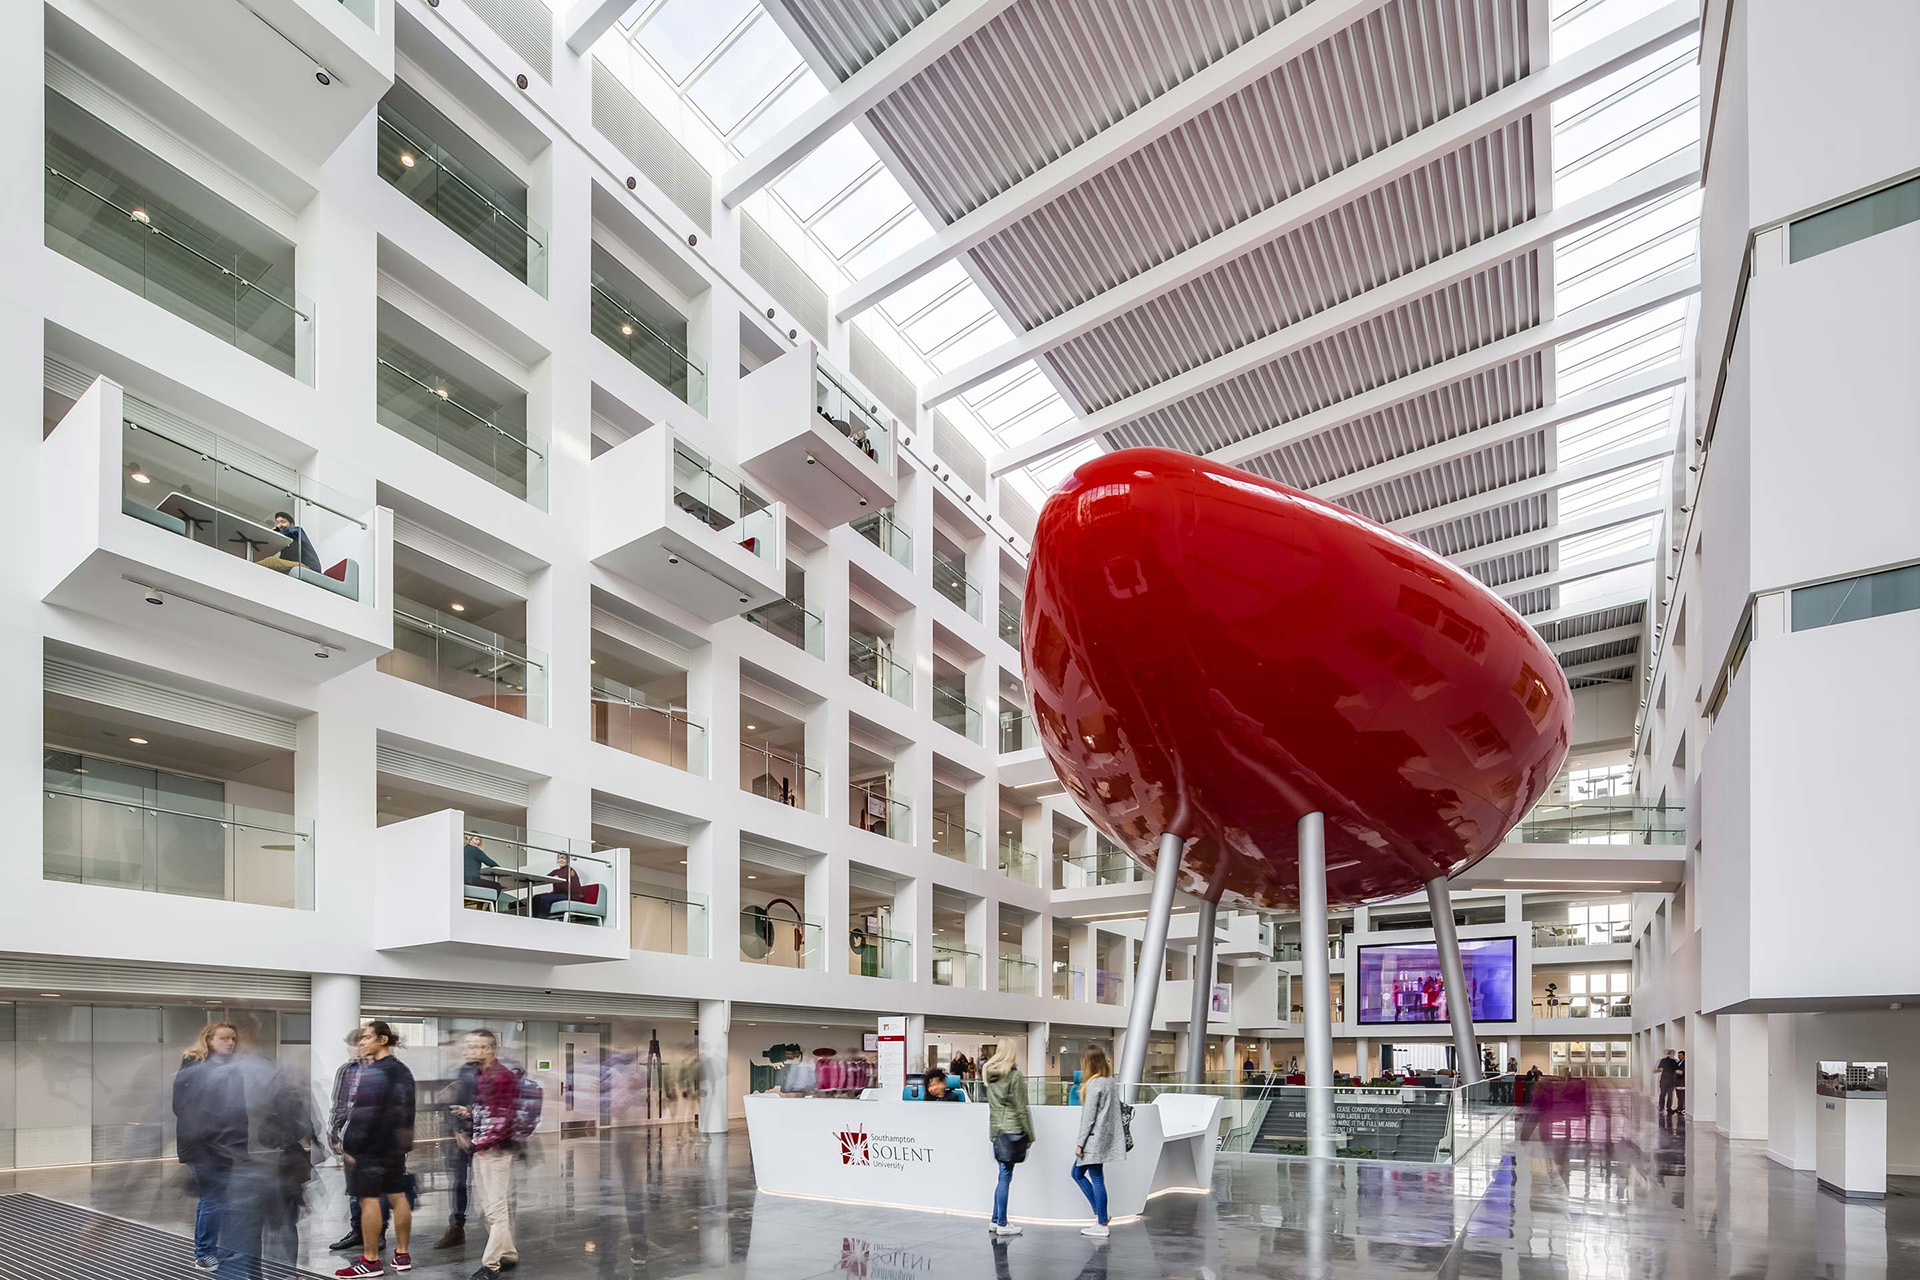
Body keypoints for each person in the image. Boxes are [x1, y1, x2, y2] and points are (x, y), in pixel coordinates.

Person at [334, 1021, 416, 1278]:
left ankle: (370, 1261)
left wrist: (351, 1147)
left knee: (368, 1200)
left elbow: (364, 1114)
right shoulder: (402, 1070)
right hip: (393, 1148)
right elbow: (407, 1111)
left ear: (383, 1040)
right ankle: (402, 1255)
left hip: (370, 1148)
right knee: (397, 1196)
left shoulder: (375, 1072)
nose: (362, 1042)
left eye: (367, 1037)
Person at [174, 1022, 242, 1271]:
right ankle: (204, 1253)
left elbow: (240, 1109)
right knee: (212, 1198)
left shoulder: (233, 1069)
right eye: (224, 1038)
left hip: (226, 1144)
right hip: (201, 1146)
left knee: (222, 1197)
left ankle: (215, 1248)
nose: (230, 1043)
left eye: (233, 1039)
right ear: (209, 1040)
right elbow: (181, 1107)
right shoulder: (193, 1066)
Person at [462, 1029, 521, 1279]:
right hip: (482, 1148)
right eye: (469, 1045)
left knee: (495, 1209)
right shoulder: (482, 1074)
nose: (469, 1050)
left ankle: (491, 1264)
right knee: (484, 1209)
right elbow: (489, 1110)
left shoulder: (501, 1077)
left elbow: (504, 1118)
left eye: (475, 1046)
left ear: (489, 1049)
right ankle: (508, 1252)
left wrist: (485, 1143)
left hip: (495, 1151)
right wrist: (469, 1113)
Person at [1070, 1046, 1125, 1239]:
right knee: (1080, 1174)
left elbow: (1088, 1118)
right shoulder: (1110, 1081)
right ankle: (1101, 1215)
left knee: (1092, 1178)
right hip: (1104, 1138)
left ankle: (1102, 1223)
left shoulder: (1094, 1084)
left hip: (1093, 1139)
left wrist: (1080, 1143)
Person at [435, 1039, 484, 1249]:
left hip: (484, 1136)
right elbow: (450, 1102)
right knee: (458, 1182)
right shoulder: (461, 1071)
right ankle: (457, 1226)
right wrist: (458, 1131)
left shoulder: (490, 1073)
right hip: (462, 1137)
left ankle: (498, 1232)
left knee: (486, 1183)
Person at [982, 1043, 1033, 1237]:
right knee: (1005, 1176)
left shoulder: (989, 1075)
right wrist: (1030, 1135)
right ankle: (1002, 1223)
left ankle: (996, 1220)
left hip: (996, 1130)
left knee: (1002, 1175)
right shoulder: (1014, 1076)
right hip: (1012, 1130)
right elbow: (1022, 1108)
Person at [258, 512, 323, 574]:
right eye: (278, 523)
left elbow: (290, 531)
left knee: (271, 561)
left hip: (309, 567)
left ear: (292, 525)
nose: (280, 525)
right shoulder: (286, 545)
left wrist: (275, 533)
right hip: (297, 566)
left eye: (283, 522)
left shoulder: (298, 531)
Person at [531, 851, 584, 920]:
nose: (561, 860)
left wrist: (558, 881)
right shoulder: (555, 871)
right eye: (559, 858)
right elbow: (545, 878)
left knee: (545, 899)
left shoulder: (570, 870)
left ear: (567, 860)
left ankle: (543, 919)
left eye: (563, 858)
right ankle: (535, 919)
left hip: (570, 895)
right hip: (558, 894)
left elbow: (572, 887)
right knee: (536, 897)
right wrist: (533, 879)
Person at [464, 837, 500, 901]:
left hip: (463, 881)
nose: (478, 842)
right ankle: (492, 906)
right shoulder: (475, 850)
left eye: (479, 840)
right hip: (472, 880)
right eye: (476, 839)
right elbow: (490, 863)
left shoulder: (464, 849)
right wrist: (499, 868)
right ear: (470, 840)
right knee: (497, 886)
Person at [1656, 1048, 1680, 1117]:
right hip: (1671, 1080)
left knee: (1662, 1094)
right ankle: (1668, 1108)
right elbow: (1677, 1071)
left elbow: (1660, 1069)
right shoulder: (1675, 1061)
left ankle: (1661, 1107)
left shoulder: (1663, 1060)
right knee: (1670, 1095)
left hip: (1664, 1080)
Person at [1673, 1050, 1687, 1116]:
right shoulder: (1678, 1062)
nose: (1679, 1057)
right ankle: (1679, 1107)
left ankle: (1682, 1108)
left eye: (1680, 1055)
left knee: (1682, 1095)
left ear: (1684, 1056)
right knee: (1678, 1095)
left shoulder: (1685, 1063)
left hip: (1682, 1081)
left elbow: (1682, 1072)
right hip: (1677, 1081)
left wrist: (1674, 1070)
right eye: (1678, 1055)